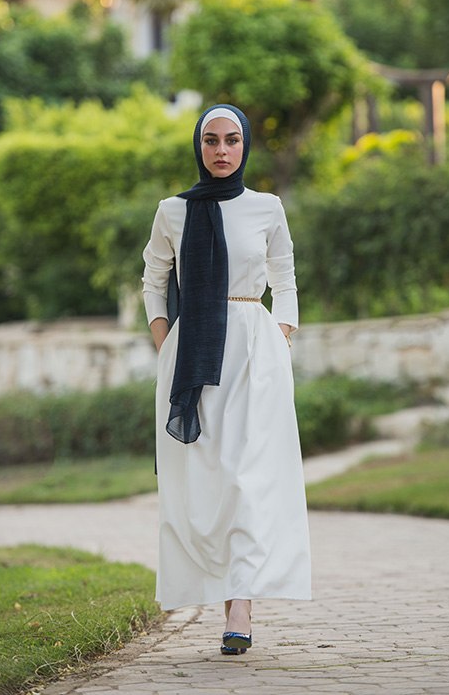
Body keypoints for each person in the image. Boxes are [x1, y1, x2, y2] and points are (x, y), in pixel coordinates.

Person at [142, 104, 311, 655]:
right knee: (208, 479)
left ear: (245, 146)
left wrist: (281, 335)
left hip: (253, 354)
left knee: (248, 475)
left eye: (231, 140)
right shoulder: (174, 211)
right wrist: (165, 342)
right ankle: (220, 588)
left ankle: (239, 606)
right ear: (199, 146)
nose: (221, 150)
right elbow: (153, 279)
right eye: (211, 140)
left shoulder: (267, 207)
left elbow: (283, 275)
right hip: (194, 356)